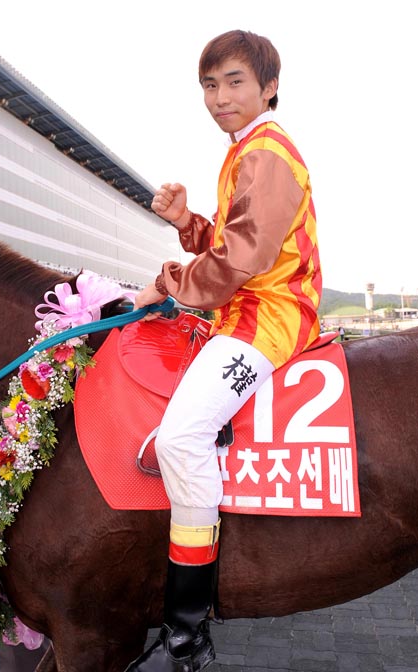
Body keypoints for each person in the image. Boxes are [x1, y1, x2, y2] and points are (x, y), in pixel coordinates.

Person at [127, 29, 322, 672]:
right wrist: (187, 224)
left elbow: (243, 257)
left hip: (268, 318)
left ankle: (186, 636)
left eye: (235, 82)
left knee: (181, 439)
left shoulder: (267, 151)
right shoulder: (247, 150)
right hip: (241, 313)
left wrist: (167, 284)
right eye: (209, 86)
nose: (219, 98)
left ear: (270, 86)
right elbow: (232, 241)